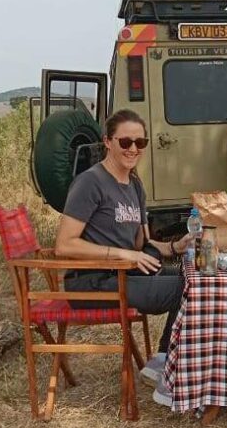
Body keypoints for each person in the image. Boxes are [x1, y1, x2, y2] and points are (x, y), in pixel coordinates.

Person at [55, 109, 191, 408]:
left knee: (193, 279)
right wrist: (120, 253)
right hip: (92, 283)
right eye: (125, 142)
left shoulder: (135, 185)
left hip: (125, 275)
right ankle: (166, 367)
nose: (133, 149)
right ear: (107, 142)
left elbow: (142, 245)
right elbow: (64, 245)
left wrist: (176, 247)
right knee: (188, 289)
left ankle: (162, 362)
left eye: (140, 143)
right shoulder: (90, 182)